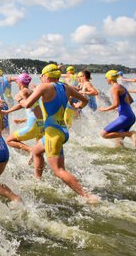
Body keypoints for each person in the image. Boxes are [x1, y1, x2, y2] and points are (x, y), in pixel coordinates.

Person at [21, 64, 98, 202]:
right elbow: (85, 100)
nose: (41, 78)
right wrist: (77, 107)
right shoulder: (65, 87)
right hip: (62, 130)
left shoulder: (43, 87)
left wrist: (20, 98)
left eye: (41, 76)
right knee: (36, 151)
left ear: (46, 76)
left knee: (59, 170)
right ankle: (38, 181)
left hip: (53, 133)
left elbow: (27, 104)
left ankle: (88, 196)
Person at [4, 73, 44, 155]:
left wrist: (18, 99)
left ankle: (30, 150)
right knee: (38, 154)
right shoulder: (32, 92)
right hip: (41, 124)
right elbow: (27, 105)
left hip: (33, 125)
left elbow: (25, 104)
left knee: (9, 140)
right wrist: (7, 112)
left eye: (17, 82)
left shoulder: (23, 91)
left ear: (21, 82)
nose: (16, 83)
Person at [99, 70, 136, 147]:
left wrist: (104, 109)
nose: (106, 80)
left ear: (110, 78)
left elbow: (115, 104)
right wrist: (120, 108)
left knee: (103, 134)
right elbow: (130, 100)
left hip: (125, 117)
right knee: (118, 142)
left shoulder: (114, 87)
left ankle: (130, 134)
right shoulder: (121, 86)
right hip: (131, 116)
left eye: (106, 78)